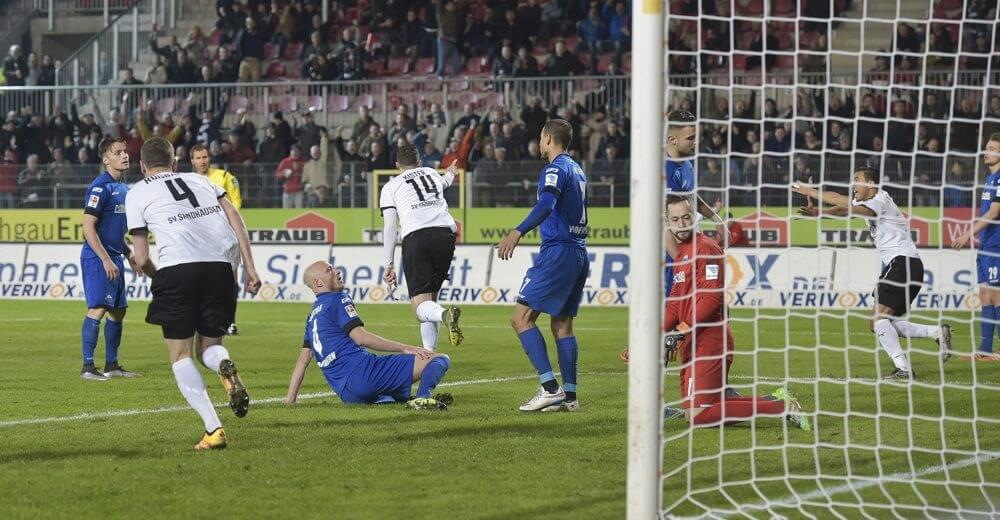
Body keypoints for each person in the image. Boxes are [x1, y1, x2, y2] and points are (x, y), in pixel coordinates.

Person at [126, 137, 262, 450]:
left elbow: (143, 257)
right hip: (220, 268)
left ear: (143, 167)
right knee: (210, 347)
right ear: (175, 163)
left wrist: (158, 277)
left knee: (181, 356)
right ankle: (224, 366)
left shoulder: (138, 192)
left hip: (178, 270)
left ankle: (214, 430)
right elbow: (236, 220)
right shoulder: (200, 180)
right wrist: (250, 268)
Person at [660, 196, 811, 429]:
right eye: (675, 219)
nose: (681, 224)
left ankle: (781, 407)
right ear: (668, 222)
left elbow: (711, 299)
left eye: (686, 217)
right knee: (708, 405)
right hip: (692, 341)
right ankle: (776, 399)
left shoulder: (706, 248)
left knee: (698, 416)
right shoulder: (682, 255)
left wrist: (679, 330)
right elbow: (674, 304)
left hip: (709, 341)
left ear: (695, 218)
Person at [795, 167, 953, 378]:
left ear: (870, 184)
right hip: (906, 266)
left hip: (902, 264)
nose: (853, 185)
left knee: (878, 320)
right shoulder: (876, 201)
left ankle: (904, 370)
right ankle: (936, 332)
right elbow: (845, 210)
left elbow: (845, 204)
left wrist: (812, 192)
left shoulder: (879, 200)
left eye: (857, 180)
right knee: (882, 322)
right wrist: (820, 214)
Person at [496, 119, 587, 412]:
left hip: (558, 252)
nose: (539, 143)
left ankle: (550, 388)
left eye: (540, 137)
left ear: (548, 138)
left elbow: (547, 204)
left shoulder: (555, 168)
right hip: (578, 252)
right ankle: (570, 398)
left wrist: (517, 230)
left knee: (520, 318)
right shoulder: (577, 169)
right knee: (562, 324)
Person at [284, 261, 453, 410]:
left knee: (395, 391)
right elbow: (361, 338)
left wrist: (290, 400)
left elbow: (303, 360)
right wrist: (405, 347)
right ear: (318, 282)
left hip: (347, 394)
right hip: (363, 374)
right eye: (329, 270)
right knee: (439, 359)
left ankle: (392, 398)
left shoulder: (312, 316)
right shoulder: (337, 299)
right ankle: (423, 398)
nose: (337, 271)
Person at [379, 143, 463, 351]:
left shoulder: (391, 187)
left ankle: (445, 315)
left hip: (418, 236)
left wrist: (388, 264)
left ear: (397, 164)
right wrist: (451, 173)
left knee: (419, 307)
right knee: (430, 300)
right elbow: (444, 182)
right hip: (445, 234)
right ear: (419, 162)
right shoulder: (431, 173)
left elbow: (390, 227)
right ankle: (429, 353)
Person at [79, 137, 142, 381]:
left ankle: (112, 365)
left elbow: (115, 230)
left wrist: (128, 254)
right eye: (118, 152)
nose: (125, 155)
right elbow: (88, 227)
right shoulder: (100, 187)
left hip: (115, 256)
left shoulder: (124, 188)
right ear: (106, 159)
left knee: (118, 311)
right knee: (99, 308)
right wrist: (105, 259)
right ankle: (87, 367)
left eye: (126, 151)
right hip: (97, 258)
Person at [952, 133, 1000, 361]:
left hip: (997, 246)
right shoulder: (990, 179)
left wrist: (967, 234)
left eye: (992, 148)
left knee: (997, 295)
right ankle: (985, 349)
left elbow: (994, 212)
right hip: (986, 245)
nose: (987, 151)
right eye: (987, 147)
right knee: (984, 295)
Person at [190, 144, 244, 335]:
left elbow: (236, 203)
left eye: (204, 157)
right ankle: (204, 319)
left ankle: (231, 321)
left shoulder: (224, 177)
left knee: (231, 280)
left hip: (225, 236)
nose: (202, 161)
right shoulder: (189, 182)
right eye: (198, 158)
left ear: (209, 158)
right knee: (202, 280)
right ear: (192, 161)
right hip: (202, 238)